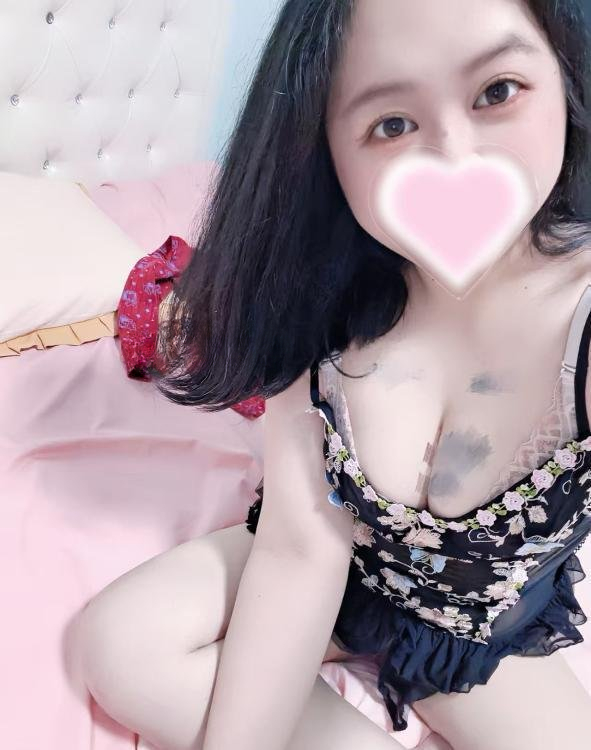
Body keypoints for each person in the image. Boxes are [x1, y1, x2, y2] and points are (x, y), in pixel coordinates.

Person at [73, 1, 591, 749]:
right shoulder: (320, 301)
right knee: (122, 645)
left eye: (497, 91)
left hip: (472, 627)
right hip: (335, 569)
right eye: (392, 124)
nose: (455, 154)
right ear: (326, 151)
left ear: (564, 75)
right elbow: (301, 549)